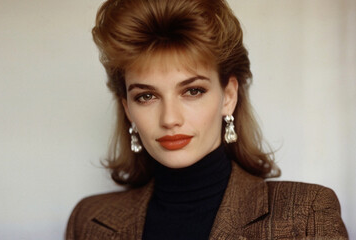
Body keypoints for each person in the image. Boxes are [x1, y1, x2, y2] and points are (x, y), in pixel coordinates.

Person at [66, 0, 348, 239]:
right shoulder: (89, 220)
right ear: (127, 108)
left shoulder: (306, 214)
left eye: (192, 91)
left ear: (228, 96)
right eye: (146, 96)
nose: (170, 119)